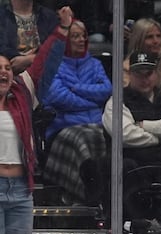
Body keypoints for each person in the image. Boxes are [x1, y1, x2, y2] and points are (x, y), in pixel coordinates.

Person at [0, 5, 71, 234]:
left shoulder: (24, 93)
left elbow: (45, 64)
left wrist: (62, 30)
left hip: (21, 190)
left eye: (8, 68)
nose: (3, 72)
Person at [41, 19, 112, 206]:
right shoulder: (53, 64)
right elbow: (59, 97)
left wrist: (76, 87)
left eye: (84, 36)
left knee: (107, 138)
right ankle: (86, 195)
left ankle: (103, 196)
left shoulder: (95, 64)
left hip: (96, 123)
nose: (81, 40)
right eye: (75, 36)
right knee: (82, 141)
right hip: (64, 124)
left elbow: (107, 90)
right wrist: (92, 101)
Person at [103, 50, 161, 169]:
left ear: (156, 74)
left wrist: (142, 125)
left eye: (148, 73)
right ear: (130, 75)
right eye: (138, 74)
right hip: (132, 168)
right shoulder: (116, 101)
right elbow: (125, 134)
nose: (144, 79)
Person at [122, 18, 161, 103]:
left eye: (159, 36)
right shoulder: (125, 68)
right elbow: (129, 99)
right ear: (138, 40)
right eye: (149, 37)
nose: (156, 41)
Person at [0, 0, 58, 74]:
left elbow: (56, 49)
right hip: (10, 73)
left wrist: (31, 59)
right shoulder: (2, 16)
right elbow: (2, 48)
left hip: (43, 73)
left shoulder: (49, 16)